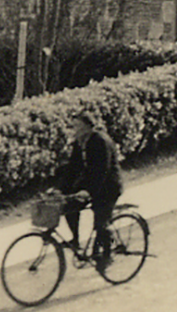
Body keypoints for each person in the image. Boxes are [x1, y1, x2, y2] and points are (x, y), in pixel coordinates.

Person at [54, 111, 122, 267]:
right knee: (69, 206)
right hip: (91, 184)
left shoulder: (101, 142)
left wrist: (88, 192)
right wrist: (61, 190)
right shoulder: (80, 143)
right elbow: (73, 168)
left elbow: (102, 171)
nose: (75, 130)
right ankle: (75, 239)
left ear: (87, 127)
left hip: (108, 186)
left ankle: (107, 255)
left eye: (77, 126)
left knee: (101, 222)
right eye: (73, 126)